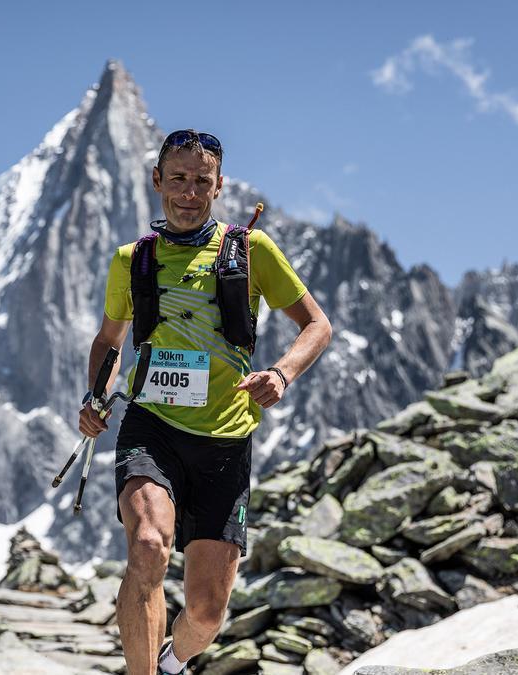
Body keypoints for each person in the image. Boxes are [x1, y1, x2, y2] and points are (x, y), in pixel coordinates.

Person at [78, 129, 332, 674]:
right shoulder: (132, 260)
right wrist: (97, 394)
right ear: (157, 182)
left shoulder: (252, 251)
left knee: (207, 614)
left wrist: (282, 375)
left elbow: (317, 325)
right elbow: (108, 340)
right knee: (147, 545)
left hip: (224, 442)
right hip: (153, 427)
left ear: (218, 187)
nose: (189, 192)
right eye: (178, 179)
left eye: (201, 181)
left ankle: (172, 662)